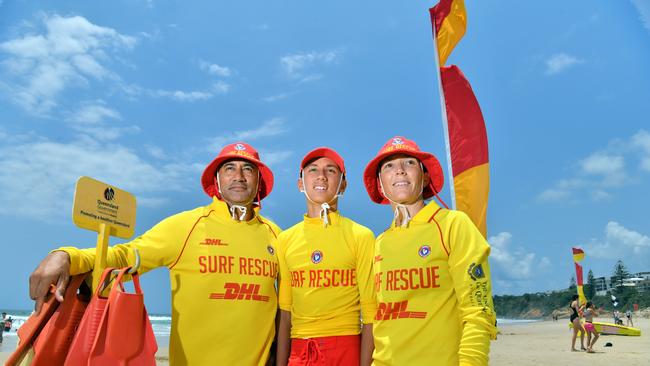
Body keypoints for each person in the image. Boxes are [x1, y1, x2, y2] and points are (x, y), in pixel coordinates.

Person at [28, 142, 281, 365]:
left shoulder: (276, 235)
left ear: (259, 181)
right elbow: (124, 256)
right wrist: (67, 256)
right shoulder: (186, 227)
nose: (239, 176)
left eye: (248, 169)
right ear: (217, 180)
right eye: (229, 169)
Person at [362, 136, 497, 366]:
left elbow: (478, 311)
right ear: (380, 185)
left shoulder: (453, 225)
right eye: (389, 166)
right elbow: (376, 318)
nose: (400, 171)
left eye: (410, 163)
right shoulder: (379, 243)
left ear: (424, 178)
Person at [276, 148, 376, 366]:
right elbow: (285, 314)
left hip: (347, 347)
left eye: (330, 170)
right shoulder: (285, 240)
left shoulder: (361, 236)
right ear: (301, 184)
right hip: (300, 351)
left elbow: (370, 313)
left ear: (343, 185)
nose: (321, 175)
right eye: (313, 170)